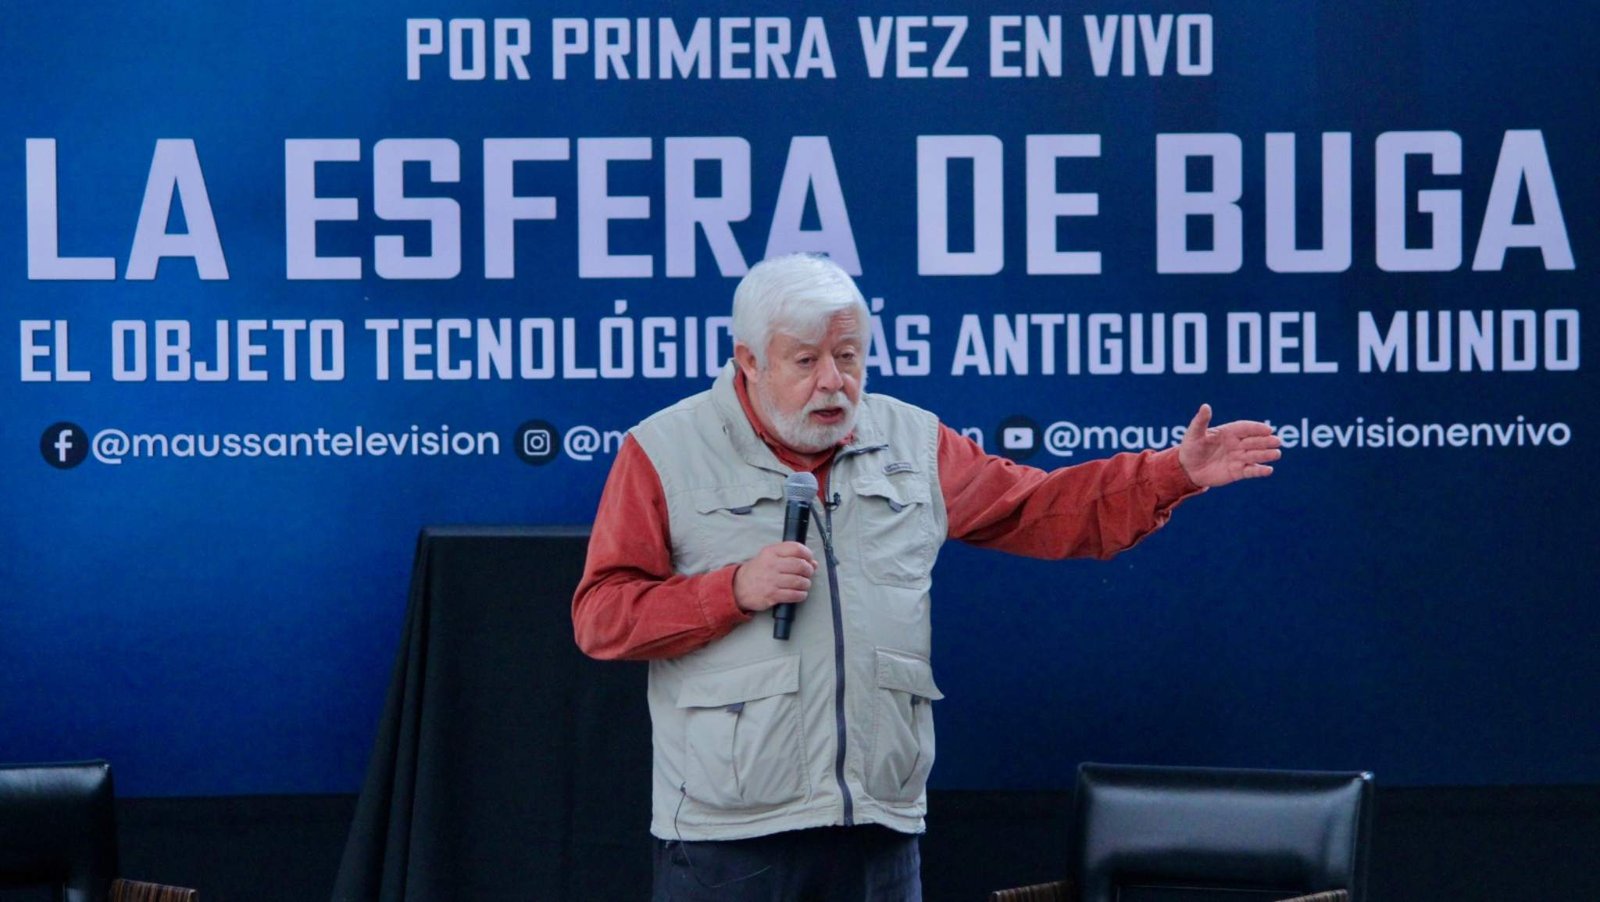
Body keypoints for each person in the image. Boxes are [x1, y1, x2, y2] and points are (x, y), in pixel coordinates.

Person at [572, 253, 1282, 901]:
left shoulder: (912, 441)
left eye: (849, 357)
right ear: (748, 361)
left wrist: (1172, 473)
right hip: (730, 838)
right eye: (807, 360)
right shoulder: (663, 450)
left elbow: (1041, 507)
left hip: (878, 829)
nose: (834, 382)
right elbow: (603, 615)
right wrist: (730, 590)